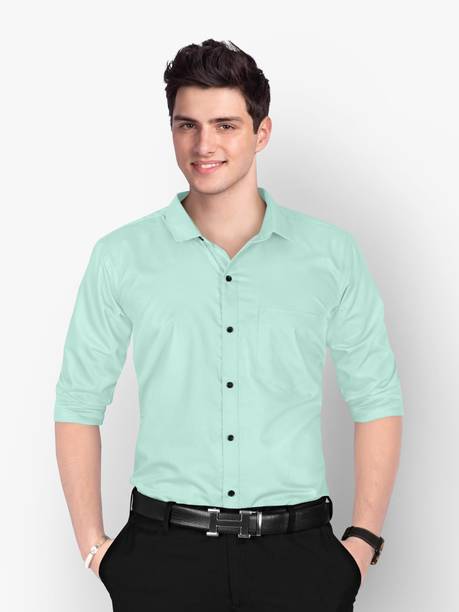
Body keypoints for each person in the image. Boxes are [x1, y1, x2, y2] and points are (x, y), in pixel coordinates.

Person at [54, 38, 403, 611]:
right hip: (161, 556)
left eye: (225, 125)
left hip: (300, 559)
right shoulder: (120, 257)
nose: (204, 145)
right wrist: (95, 548)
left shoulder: (330, 255)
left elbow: (377, 397)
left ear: (261, 133)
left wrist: (361, 544)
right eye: (187, 125)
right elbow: (78, 400)